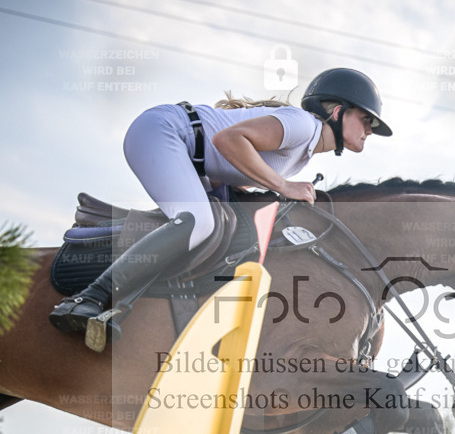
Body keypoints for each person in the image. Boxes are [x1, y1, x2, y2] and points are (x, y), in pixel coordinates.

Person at [49, 68, 392, 344]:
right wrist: (283, 186)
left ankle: (120, 307)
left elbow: (228, 181)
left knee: (208, 230)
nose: (370, 130)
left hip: (190, 155)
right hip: (165, 131)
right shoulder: (303, 126)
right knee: (198, 223)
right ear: (337, 111)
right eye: (366, 120)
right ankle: (89, 298)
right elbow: (227, 140)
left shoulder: (301, 158)